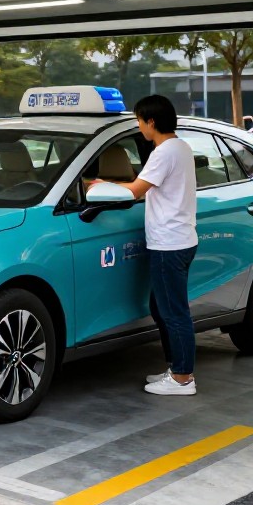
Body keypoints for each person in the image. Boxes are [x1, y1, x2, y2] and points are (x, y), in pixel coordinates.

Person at [109, 95, 199, 396]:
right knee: (162, 307)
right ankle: (176, 368)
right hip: (181, 239)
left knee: (173, 311)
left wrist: (97, 185)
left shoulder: (164, 152)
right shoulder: (180, 147)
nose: (139, 126)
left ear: (151, 121)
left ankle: (183, 378)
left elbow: (136, 190)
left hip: (169, 243)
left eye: (139, 120)